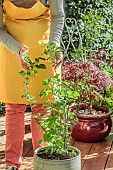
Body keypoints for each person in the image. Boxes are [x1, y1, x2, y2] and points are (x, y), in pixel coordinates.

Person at [0, 0, 65, 169]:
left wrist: (54, 46)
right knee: (13, 108)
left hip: (45, 51)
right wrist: (18, 50)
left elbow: (58, 16)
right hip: (12, 51)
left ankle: (43, 162)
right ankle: (11, 164)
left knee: (42, 108)